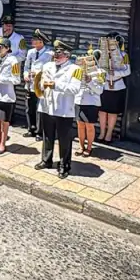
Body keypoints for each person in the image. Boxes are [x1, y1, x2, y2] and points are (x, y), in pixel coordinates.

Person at [34, 40, 82, 179]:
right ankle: (46, 160)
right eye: (55, 53)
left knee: (64, 139)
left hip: (63, 109)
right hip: (47, 106)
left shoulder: (75, 69)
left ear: (67, 55)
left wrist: (56, 84)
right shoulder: (48, 65)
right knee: (47, 136)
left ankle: (64, 165)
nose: (56, 56)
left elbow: (75, 88)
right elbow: (41, 82)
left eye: (59, 53)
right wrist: (41, 85)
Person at [0, 37, 21, 154]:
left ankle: (3, 144)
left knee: (5, 121)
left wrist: (1, 79)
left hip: (7, 95)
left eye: (1, 47)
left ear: (7, 48)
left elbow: (17, 80)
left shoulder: (13, 61)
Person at [98, 32, 130, 144]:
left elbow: (127, 71)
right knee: (102, 111)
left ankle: (109, 134)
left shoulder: (123, 55)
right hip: (104, 86)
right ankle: (102, 133)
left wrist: (114, 72)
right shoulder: (102, 54)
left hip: (117, 86)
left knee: (112, 112)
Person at [22, 29, 53, 139]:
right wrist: (25, 74)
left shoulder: (49, 54)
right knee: (29, 108)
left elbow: (51, 71)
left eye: (35, 40)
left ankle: (40, 132)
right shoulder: (31, 52)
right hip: (30, 84)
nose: (33, 41)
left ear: (41, 41)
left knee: (40, 109)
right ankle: (31, 128)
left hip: (40, 85)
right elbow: (26, 66)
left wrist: (40, 75)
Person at [75, 54, 105, 157]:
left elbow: (100, 90)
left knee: (89, 126)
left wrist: (90, 82)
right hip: (79, 101)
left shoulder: (99, 72)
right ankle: (81, 146)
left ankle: (89, 147)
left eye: (88, 60)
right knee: (80, 125)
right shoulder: (78, 71)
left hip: (92, 102)